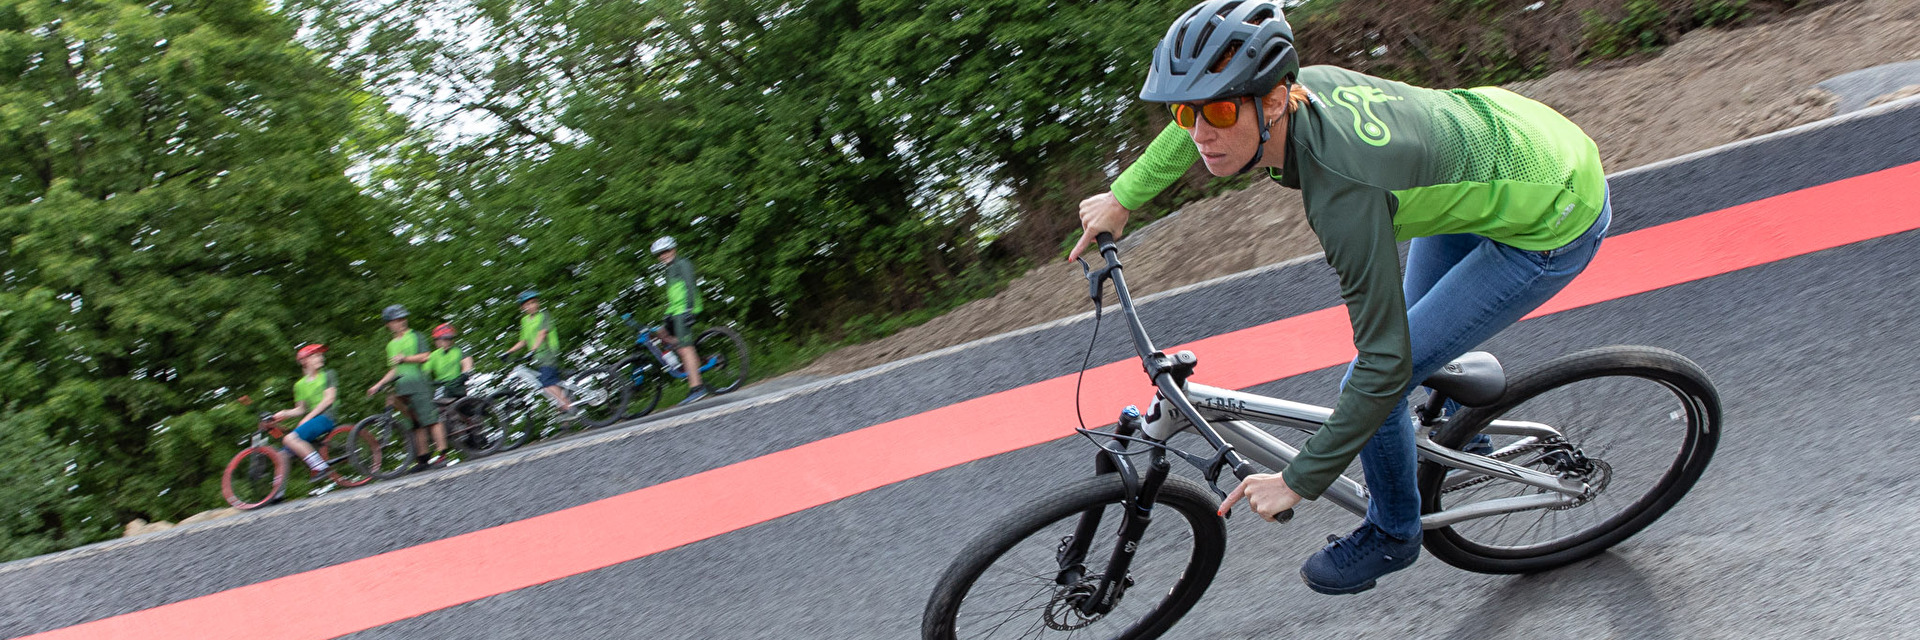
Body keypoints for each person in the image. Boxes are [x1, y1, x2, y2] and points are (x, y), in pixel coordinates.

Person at [1070, 0, 1611, 596]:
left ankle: (1394, 532)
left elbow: (1382, 366)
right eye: (1185, 111)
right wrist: (1123, 197)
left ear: (1273, 100)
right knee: (1406, 346)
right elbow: (1196, 135)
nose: (1201, 132)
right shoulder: (1296, 93)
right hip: (1503, 150)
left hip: (1553, 211)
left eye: (1219, 110)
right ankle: (1463, 430)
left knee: (1382, 375)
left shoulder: (1344, 195)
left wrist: (1300, 479)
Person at [366, 305, 449, 471]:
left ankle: (442, 455)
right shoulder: (390, 345)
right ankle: (423, 460)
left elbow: (426, 356)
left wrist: (406, 358)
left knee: (431, 419)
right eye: (397, 320)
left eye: (403, 318)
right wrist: (379, 384)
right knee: (414, 424)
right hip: (402, 386)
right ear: (388, 324)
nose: (402, 322)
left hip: (419, 383)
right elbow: (394, 369)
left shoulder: (416, 336)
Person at [651, 236, 710, 405]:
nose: (663, 255)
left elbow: (690, 286)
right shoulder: (669, 269)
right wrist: (668, 314)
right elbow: (675, 295)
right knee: (661, 334)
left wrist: (689, 310)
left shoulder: (682, 263)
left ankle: (697, 388)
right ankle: (693, 364)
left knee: (685, 349)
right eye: (659, 254)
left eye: (666, 251)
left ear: (674, 249)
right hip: (676, 311)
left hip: (685, 310)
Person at [504, 290, 577, 418]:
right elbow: (523, 340)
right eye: (528, 304)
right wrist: (508, 352)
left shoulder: (544, 315)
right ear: (523, 307)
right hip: (539, 357)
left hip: (549, 353)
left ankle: (570, 407)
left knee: (546, 382)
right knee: (547, 384)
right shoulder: (525, 320)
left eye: (533, 303)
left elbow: (542, 334)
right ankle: (564, 413)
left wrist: (532, 350)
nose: (532, 306)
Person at [272, 344, 338, 481]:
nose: (321, 358)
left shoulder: (328, 375)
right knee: (283, 454)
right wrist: (284, 413)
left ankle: (320, 467)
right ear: (304, 361)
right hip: (313, 420)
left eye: (320, 355)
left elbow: (328, 400)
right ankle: (277, 494)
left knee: (289, 438)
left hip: (326, 417)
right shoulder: (299, 385)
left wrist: (306, 418)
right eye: (315, 356)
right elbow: (300, 409)